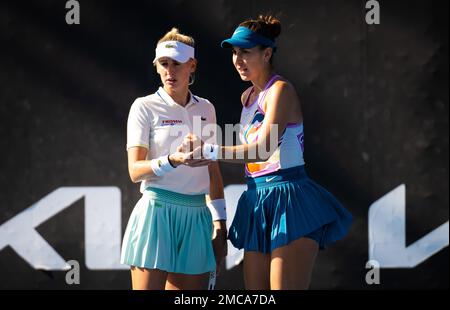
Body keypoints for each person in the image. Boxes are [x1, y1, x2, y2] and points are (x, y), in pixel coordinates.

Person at [181, 15, 352, 289]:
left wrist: (210, 149)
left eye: (246, 52)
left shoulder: (281, 91)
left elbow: (262, 150)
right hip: (256, 200)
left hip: (289, 200)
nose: (238, 59)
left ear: (267, 53)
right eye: (235, 53)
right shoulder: (247, 97)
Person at [120, 28, 227, 290]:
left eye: (177, 64)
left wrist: (220, 225)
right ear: (156, 67)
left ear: (192, 66)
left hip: (197, 217)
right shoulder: (143, 107)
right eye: (164, 64)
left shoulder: (206, 108)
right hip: (156, 215)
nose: (170, 71)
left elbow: (213, 171)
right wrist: (173, 159)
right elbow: (135, 171)